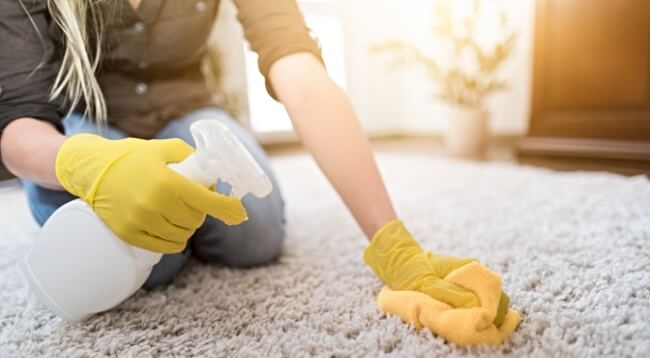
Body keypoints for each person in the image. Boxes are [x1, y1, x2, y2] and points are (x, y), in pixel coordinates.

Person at [0, 0, 510, 332]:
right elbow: (18, 122)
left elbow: (298, 70)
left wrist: (395, 244)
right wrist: (86, 164)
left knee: (254, 235)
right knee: (157, 261)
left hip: (186, 109)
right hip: (90, 122)